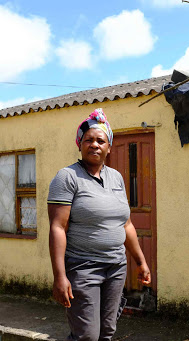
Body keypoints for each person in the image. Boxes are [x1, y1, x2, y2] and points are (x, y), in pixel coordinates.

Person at [48, 108, 151, 341]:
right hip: (83, 267)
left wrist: (141, 262)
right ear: (80, 144)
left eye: (100, 140)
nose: (94, 144)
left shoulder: (116, 178)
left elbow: (126, 224)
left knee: (107, 333)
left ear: (109, 147)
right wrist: (59, 276)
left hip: (115, 267)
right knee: (87, 336)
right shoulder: (67, 177)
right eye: (89, 140)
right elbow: (57, 228)